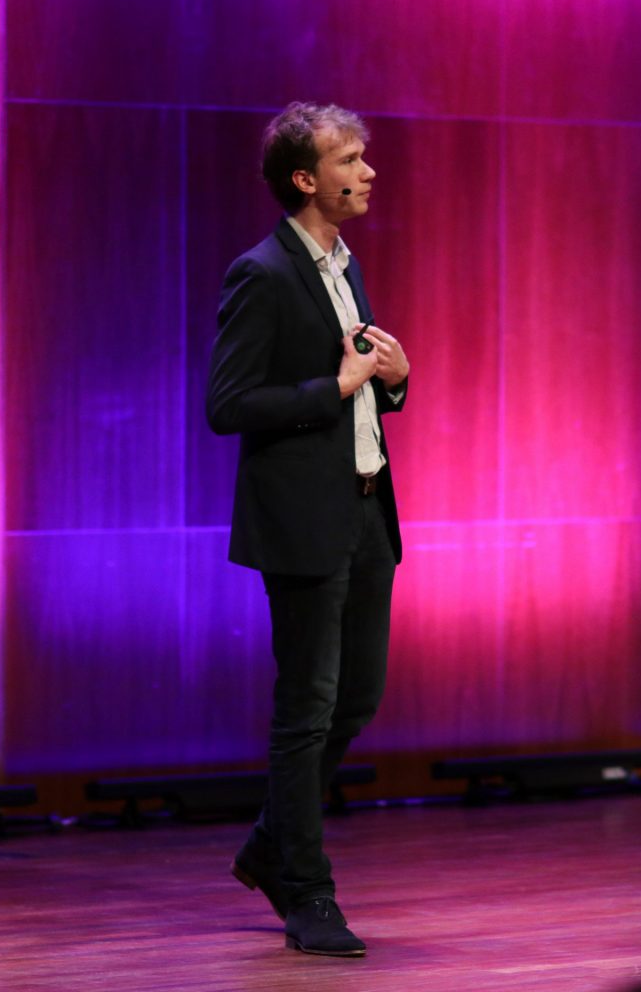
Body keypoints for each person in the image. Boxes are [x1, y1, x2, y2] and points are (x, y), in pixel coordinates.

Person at [206, 101, 409, 957]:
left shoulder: (343, 266)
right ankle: (307, 888)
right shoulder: (262, 273)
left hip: (365, 510)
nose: (367, 172)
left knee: (357, 698)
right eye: (350, 160)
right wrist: (336, 387)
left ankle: (270, 842)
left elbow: (359, 382)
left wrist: (392, 380)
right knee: (308, 708)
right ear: (305, 178)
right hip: (302, 522)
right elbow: (228, 404)